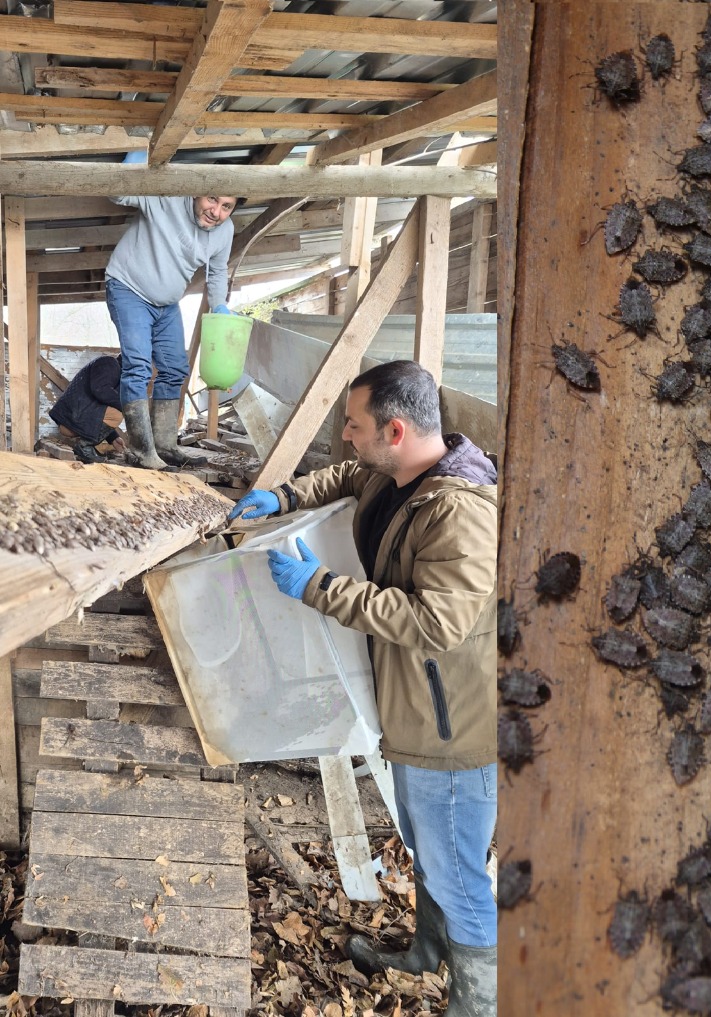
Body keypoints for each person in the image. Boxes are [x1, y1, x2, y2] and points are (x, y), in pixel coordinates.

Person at [227, 360, 498, 1016]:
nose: (348, 436)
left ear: (396, 429)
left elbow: (440, 621)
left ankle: (479, 1001)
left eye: (354, 424)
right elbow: (350, 473)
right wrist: (287, 497)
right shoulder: (400, 470)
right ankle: (430, 953)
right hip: (413, 706)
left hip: (451, 723)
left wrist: (322, 589)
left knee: (460, 873)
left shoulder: (459, 511)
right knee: (428, 843)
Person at [107, 150, 239, 470]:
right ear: (197, 190)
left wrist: (220, 305)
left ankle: (164, 444)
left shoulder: (225, 230)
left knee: (175, 369)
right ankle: (140, 449)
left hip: (166, 304)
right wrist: (136, 159)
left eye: (226, 206)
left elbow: (217, 272)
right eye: (212, 199)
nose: (216, 211)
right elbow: (117, 192)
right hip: (129, 289)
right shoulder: (167, 198)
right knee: (138, 365)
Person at [47, 354, 124, 464]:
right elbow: (101, 390)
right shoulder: (109, 363)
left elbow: (98, 410)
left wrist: (113, 438)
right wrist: (127, 406)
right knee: (117, 414)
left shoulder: (113, 368)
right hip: (71, 418)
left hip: (73, 418)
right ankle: (84, 447)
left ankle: (86, 446)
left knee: (116, 410)